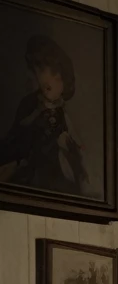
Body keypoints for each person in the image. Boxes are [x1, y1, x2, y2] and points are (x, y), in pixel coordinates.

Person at [0, 34, 87, 194]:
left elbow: (70, 134)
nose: (44, 77)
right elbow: (17, 137)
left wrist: (70, 146)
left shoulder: (61, 109)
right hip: (31, 168)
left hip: (57, 172)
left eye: (57, 75)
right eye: (38, 69)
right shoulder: (30, 103)